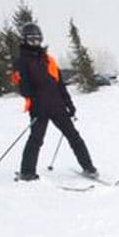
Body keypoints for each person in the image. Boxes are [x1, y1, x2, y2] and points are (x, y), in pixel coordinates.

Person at [12, 22, 99, 181]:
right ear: (25, 40)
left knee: (74, 137)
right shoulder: (22, 61)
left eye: (38, 40)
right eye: (32, 40)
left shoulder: (49, 60)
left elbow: (60, 85)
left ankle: (89, 167)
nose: (35, 43)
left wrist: (69, 105)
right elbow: (24, 88)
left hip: (57, 106)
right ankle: (27, 172)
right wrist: (35, 101)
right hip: (39, 108)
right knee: (36, 139)